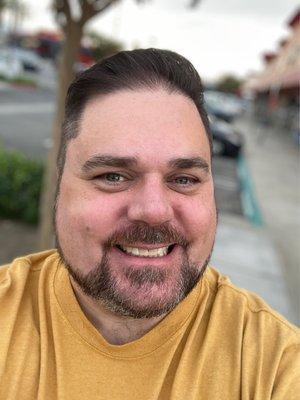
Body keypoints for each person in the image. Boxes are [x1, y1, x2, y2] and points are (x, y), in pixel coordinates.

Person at [0, 48, 299, 400]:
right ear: (59, 186)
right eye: (113, 176)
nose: (155, 210)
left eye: (184, 179)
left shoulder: (275, 366)